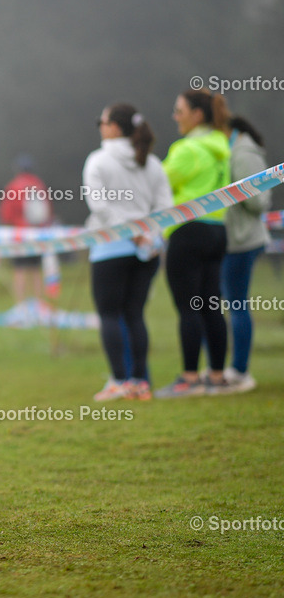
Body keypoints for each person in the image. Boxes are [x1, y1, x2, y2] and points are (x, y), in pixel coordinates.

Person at [83, 104, 173, 402]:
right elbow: (164, 208)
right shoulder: (153, 163)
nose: (99, 126)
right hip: (146, 250)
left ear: (115, 128)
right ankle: (140, 381)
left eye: (102, 121)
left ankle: (120, 381)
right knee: (135, 314)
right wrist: (146, 234)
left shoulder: (98, 160)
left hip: (111, 247)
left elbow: (99, 206)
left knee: (109, 314)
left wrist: (128, 231)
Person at [155, 89, 232, 398]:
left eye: (179, 111)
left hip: (187, 232)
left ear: (197, 115)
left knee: (188, 307)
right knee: (212, 305)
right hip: (217, 231)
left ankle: (189, 378)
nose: (175, 117)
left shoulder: (187, 149)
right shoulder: (220, 147)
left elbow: (157, 184)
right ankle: (216, 376)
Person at [221, 116, 271, 392]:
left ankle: (240, 370)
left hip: (243, 241)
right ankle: (227, 368)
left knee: (237, 304)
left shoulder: (243, 153)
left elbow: (258, 201)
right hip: (230, 241)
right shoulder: (233, 150)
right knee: (228, 303)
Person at [0, 154, 52, 304]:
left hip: (20, 234)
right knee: (35, 270)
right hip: (37, 233)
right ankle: (40, 304)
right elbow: (48, 211)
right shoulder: (39, 184)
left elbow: (6, 215)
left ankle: (21, 306)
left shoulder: (14, 186)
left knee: (20, 270)